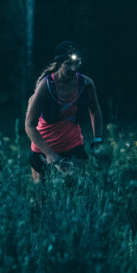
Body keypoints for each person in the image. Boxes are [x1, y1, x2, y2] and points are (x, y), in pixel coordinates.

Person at [25, 41, 104, 182]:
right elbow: (29, 125)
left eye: (77, 63)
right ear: (59, 63)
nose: (73, 68)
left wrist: (97, 140)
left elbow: (95, 111)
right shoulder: (45, 86)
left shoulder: (86, 84)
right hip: (44, 148)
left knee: (78, 189)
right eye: (68, 64)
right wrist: (49, 153)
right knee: (40, 198)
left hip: (73, 145)